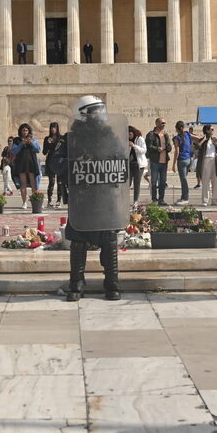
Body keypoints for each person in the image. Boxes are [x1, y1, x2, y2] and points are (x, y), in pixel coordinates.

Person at [64, 95, 127, 301]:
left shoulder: (111, 136)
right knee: (78, 242)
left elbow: (122, 161)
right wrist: (75, 162)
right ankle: (77, 284)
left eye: (101, 109)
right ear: (84, 114)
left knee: (109, 241)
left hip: (105, 197)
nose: (100, 114)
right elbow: (55, 164)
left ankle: (111, 284)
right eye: (95, 110)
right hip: (82, 198)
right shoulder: (71, 138)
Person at [10, 123, 41, 210]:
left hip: (31, 163)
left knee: (33, 183)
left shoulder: (33, 138)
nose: (25, 132)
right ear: (20, 131)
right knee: (22, 183)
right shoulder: (17, 140)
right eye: (23, 130)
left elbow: (38, 149)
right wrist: (22, 144)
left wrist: (32, 143)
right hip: (21, 163)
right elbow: (13, 151)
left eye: (26, 130)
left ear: (29, 131)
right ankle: (24, 202)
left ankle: (36, 201)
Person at [145, 118, 172, 205]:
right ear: (156, 123)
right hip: (155, 161)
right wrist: (157, 149)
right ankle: (154, 199)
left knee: (163, 182)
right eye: (162, 123)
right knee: (154, 182)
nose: (163, 124)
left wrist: (166, 148)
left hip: (164, 162)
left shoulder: (165, 135)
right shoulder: (151, 134)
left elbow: (169, 147)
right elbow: (148, 146)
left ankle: (161, 199)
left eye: (164, 123)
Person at [196, 124, 217, 206]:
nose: (213, 130)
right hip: (205, 161)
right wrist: (204, 139)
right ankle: (205, 200)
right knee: (206, 181)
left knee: (216, 181)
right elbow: (197, 147)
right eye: (211, 129)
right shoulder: (202, 140)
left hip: (214, 160)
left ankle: (215, 200)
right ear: (207, 130)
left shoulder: (215, 140)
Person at [43, 122, 66, 208]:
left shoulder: (61, 138)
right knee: (51, 181)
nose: (53, 129)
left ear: (57, 128)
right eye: (52, 128)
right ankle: (49, 201)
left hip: (59, 161)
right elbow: (44, 152)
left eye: (55, 128)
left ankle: (59, 200)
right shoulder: (47, 138)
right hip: (50, 161)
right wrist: (48, 144)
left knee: (59, 182)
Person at [172, 120, 193, 205]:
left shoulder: (177, 138)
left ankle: (185, 198)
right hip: (189, 159)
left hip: (182, 160)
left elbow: (177, 151)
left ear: (177, 129)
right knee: (184, 179)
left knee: (183, 180)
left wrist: (173, 164)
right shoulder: (187, 134)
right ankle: (183, 196)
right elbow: (194, 141)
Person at [128, 125, 147, 207]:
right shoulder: (126, 140)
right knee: (127, 183)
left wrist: (134, 146)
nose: (129, 136)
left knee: (137, 184)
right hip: (129, 164)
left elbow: (143, 151)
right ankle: (124, 200)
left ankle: (135, 201)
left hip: (138, 165)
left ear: (133, 133)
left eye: (130, 134)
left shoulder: (139, 139)